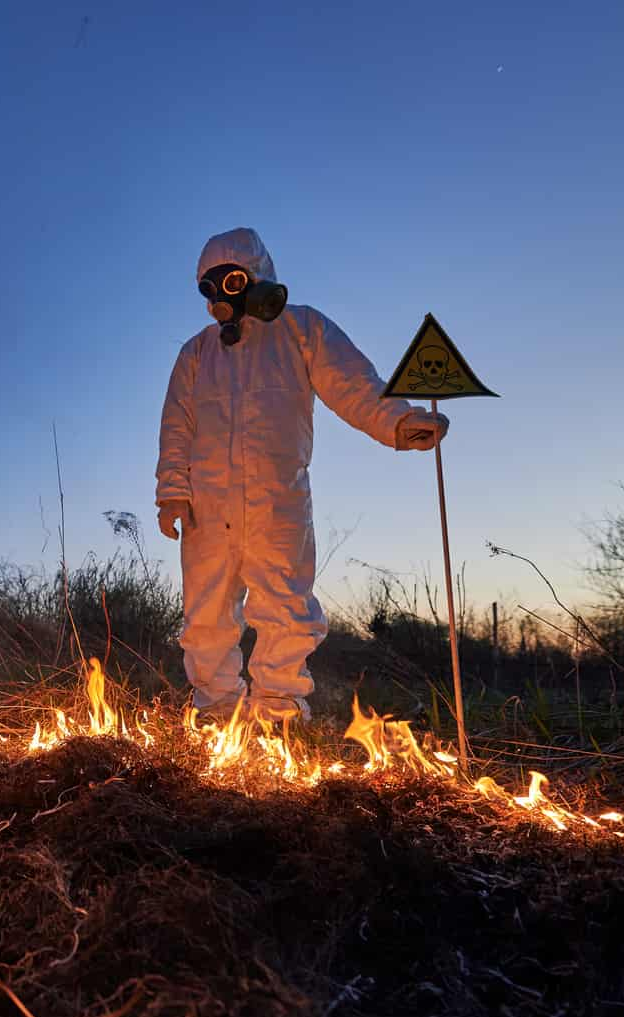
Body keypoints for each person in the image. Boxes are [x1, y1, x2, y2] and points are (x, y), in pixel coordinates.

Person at [155, 227, 448, 723]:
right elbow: (176, 426)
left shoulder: (301, 330)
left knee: (285, 607)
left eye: (229, 281)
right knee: (205, 616)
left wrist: (397, 421)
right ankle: (216, 710)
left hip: (278, 499)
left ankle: (278, 714)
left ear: (256, 275)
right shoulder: (197, 353)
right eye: (208, 286)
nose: (218, 297)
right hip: (207, 506)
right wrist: (172, 494)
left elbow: (354, 384)